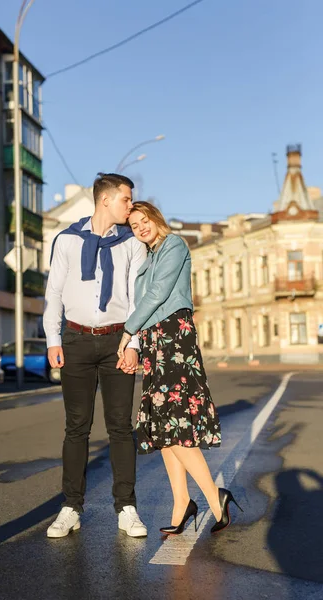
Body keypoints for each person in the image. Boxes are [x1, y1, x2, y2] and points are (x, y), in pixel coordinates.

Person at [117, 202, 243, 535]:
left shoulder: (173, 244)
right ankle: (181, 502)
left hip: (174, 337)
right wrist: (138, 339)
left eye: (145, 221)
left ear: (157, 220)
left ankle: (217, 498)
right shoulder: (150, 256)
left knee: (177, 421)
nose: (141, 228)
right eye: (134, 225)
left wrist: (128, 330)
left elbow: (158, 293)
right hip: (155, 341)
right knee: (162, 425)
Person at [43, 173, 148, 539]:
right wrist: (53, 339)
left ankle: (126, 508)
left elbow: (138, 298)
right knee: (77, 427)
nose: (130, 206)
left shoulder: (132, 243)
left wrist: (133, 344)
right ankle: (71, 507)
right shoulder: (68, 240)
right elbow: (54, 292)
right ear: (106, 200)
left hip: (118, 339)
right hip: (75, 339)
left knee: (121, 427)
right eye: (126, 199)